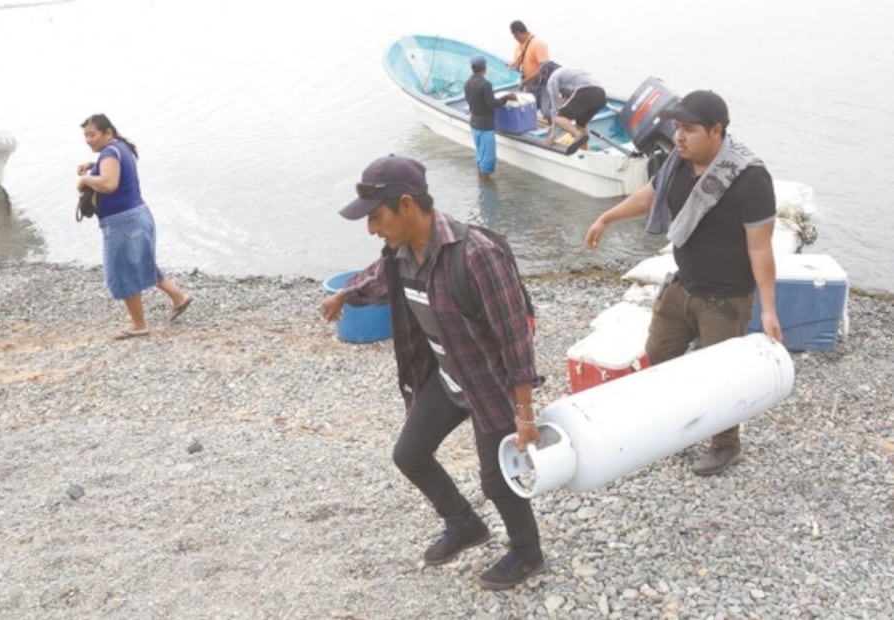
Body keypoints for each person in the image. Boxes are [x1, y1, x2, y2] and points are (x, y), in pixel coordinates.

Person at [320, 154, 546, 590]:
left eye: (376, 217)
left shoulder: (478, 256)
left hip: (490, 384)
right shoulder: (401, 252)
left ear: (406, 205)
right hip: (447, 376)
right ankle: (465, 526)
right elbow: (379, 280)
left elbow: (516, 339)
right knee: (410, 454)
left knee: (497, 481)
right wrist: (345, 295)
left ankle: (528, 553)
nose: (372, 229)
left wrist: (525, 415)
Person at [584, 90, 782, 476]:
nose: (679, 137)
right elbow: (650, 195)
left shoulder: (749, 178)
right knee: (658, 355)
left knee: (722, 378)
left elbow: (761, 249)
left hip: (725, 298)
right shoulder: (677, 162)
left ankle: (726, 444)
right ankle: (680, 425)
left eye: (689, 130)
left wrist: (770, 309)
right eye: (677, 128)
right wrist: (607, 218)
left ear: (716, 130)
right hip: (682, 285)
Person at [76, 114, 192, 339]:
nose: (88, 140)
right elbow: (113, 170)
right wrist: (93, 166)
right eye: (85, 136)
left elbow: (109, 184)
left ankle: (138, 325)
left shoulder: (110, 152)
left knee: (122, 271)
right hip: (139, 214)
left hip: (123, 222)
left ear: (108, 132)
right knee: (142, 263)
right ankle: (179, 298)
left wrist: (86, 180)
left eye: (93, 135)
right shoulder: (120, 148)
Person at [464, 55, 517, 183]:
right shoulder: (485, 84)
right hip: (485, 126)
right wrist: (506, 97)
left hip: (474, 124)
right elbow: (492, 104)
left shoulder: (467, 83)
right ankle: (486, 186)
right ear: (484, 67)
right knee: (488, 160)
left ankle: (481, 182)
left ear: (472, 68)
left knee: (480, 157)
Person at [540, 63, 606, 155]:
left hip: (587, 91)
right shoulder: (568, 71)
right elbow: (569, 101)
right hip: (601, 94)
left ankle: (578, 135)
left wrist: (552, 134)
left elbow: (554, 109)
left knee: (557, 117)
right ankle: (584, 152)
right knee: (581, 124)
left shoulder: (553, 78)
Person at [508, 20, 549, 91]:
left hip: (540, 85)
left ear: (517, 33)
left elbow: (545, 69)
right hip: (527, 84)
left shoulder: (538, 45)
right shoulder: (519, 46)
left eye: (514, 36)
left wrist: (527, 80)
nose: (515, 39)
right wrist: (514, 65)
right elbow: (517, 63)